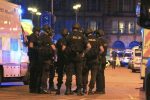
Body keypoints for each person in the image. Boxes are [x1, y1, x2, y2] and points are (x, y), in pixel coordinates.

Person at [64, 23, 90, 96]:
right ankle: (79, 91)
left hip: (70, 57)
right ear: (79, 28)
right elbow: (89, 46)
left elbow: (63, 48)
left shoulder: (69, 35)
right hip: (79, 57)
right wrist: (83, 53)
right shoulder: (82, 36)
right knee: (79, 74)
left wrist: (67, 53)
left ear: (72, 28)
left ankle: (68, 90)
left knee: (69, 74)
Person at [83, 28, 104, 95]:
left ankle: (84, 89)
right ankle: (90, 90)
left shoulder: (85, 39)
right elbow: (102, 50)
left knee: (85, 74)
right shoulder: (97, 39)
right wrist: (98, 54)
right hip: (95, 60)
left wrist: (84, 53)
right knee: (93, 76)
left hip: (86, 60)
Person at [38, 25, 56, 94]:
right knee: (45, 74)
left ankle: (39, 88)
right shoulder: (47, 37)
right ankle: (44, 89)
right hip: (47, 58)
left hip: (40, 58)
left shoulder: (39, 36)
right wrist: (54, 55)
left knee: (41, 73)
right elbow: (53, 48)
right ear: (47, 30)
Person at [55, 28, 69, 95]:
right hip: (67, 60)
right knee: (68, 75)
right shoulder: (69, 40)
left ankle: (58, 89)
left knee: (60, 75)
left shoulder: (59, 40)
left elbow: (56, 50)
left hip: (60, 59)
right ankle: (67, 90)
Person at [28, 26, 41, 93]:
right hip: (33, 57)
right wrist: (38, 49)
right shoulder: (32, 36)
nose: (38, 32)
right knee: (33, 72)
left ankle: (34, 87)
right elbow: (31, 46)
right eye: (38, 31)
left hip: (36, 56)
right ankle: (32, 88)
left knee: (35, 72)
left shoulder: (36, 36)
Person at [95, 29, 108, 94]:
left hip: (100, 59)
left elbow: (101, 50)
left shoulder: (98, 40)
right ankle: (102, 89)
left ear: (98, 34)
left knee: (98, 75)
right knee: (102, 75)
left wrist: (98, 54)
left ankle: (99, 90)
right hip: (104, 59)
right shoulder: (105, 40)